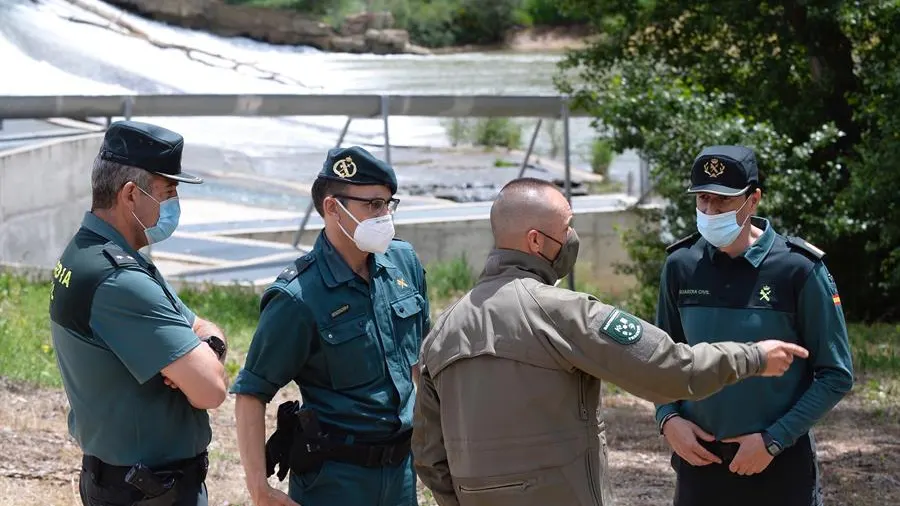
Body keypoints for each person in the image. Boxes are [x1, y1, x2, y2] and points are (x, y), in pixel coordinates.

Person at [411, 177, 810, 506]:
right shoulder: (564, 314)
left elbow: (428, 455)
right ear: (536, 242)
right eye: (566, 228)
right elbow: (670, 368)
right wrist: (753, 356)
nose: (572, 238)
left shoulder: (444, 330)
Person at [654, 145, 854, 506]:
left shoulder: (798, 269)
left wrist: (774, 440)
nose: (711, 211)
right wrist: (668, 420)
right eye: (703, 200)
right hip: (698, 463)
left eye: (723, 201)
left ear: (753, 199)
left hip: (778, 465)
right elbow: (660, 360)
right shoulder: (681, 265)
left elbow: (835, 373)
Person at [232, 146, 430, 506]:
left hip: (402, 471)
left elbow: (420, 361)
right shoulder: (298, 296)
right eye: (372, 205)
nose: (384, 215)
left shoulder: (404, 263)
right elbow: (251, 392)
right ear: (332, 208)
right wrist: (259, 488)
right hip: (335, 479)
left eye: (388, 204)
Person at [49, 120, 230, 506]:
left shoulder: (93, 253)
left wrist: (207, 344)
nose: (175, 204)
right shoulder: (118, 279)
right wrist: (199, 360)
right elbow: (211, 390)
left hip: (128, 482)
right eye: (168, 191)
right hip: (148, 491)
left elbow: (200, 325)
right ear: (131, 194)